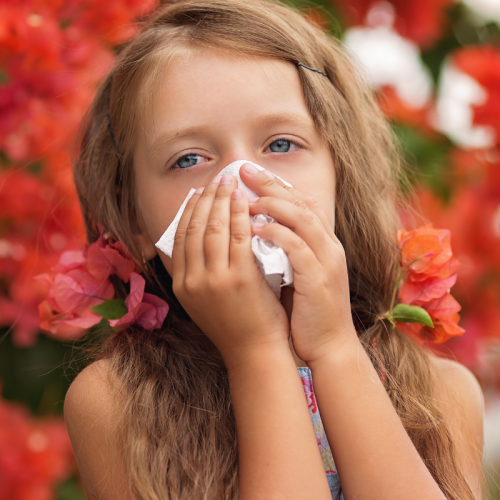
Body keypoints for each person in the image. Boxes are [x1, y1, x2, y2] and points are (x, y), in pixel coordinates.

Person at [63, 1, 484, 499]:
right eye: (189, 158)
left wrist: (332, 348)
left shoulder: (441, 393)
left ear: (339, 177)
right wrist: (256, 351)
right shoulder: (115, 402)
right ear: (134, 221)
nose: (243, 183)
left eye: (281, 145)